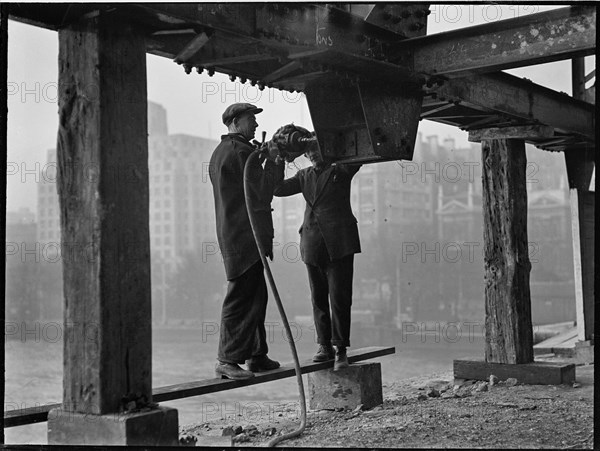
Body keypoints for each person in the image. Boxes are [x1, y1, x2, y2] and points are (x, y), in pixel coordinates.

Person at [209, 102, 282, 380]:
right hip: (245, 234)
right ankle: (226, 360)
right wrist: (275, 161)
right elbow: (264, 192)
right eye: (251, 119)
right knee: (240, 297)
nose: (255, 124)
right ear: (236, 122)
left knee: (256, 295)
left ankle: (256, 355)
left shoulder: (223, 152)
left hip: (236, 233)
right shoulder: (241, 153)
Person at [273, 142, 361, 371]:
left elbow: (358, 157)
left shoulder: (340, 170)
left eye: (316, 149)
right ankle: (324, 347)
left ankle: (340, 349)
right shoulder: (304, 176)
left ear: (326, 149)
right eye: (308, 151)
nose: (312, 154)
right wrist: (279, 159)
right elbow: (278, 189)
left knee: (340, 299)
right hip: (312, 245)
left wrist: (338, 139)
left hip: (339, 243)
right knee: (318, 299)